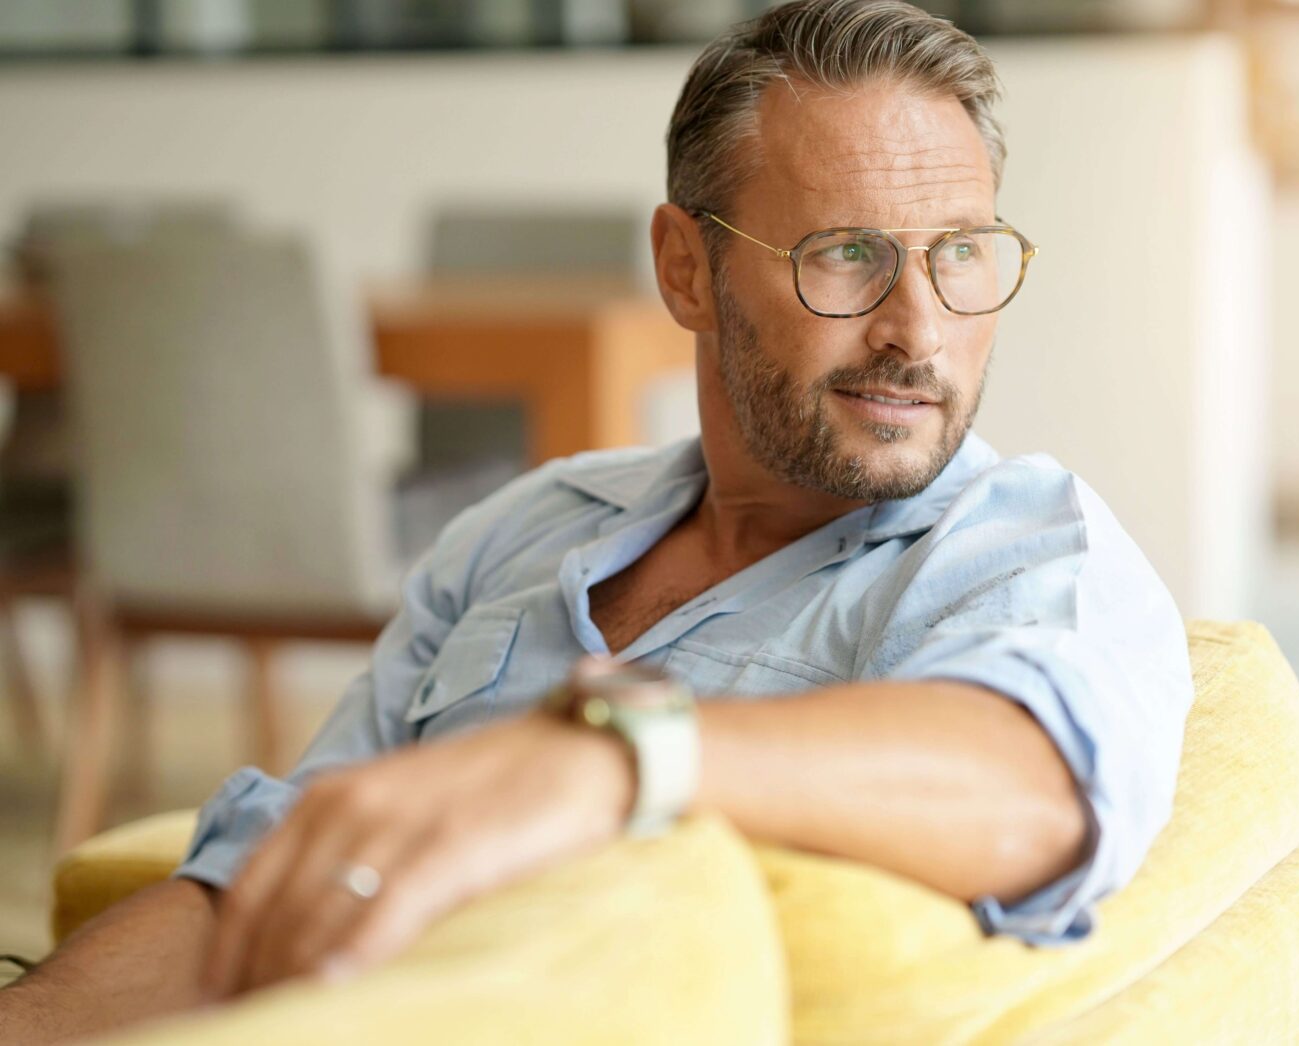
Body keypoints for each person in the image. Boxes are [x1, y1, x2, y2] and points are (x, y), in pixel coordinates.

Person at [0, 1, 1193, 1040]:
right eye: (845, 256)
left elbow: (1037, 783)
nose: (917, 329)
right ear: (685, 269)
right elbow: (276, 869)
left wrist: (617, 762)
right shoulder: (520, 528)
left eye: (960, 255)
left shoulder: (1021, 548)